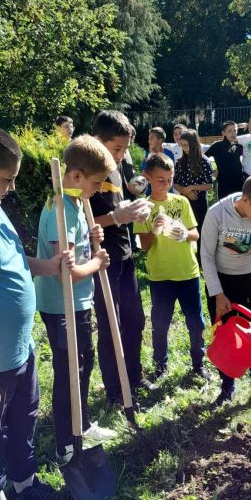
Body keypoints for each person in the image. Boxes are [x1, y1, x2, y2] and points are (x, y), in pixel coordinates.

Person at [0, 126, 72, 500]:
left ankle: (24, 481)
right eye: (6, 179)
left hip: (20, 349)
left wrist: (47, 267)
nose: (12, 187)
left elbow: (16, 259)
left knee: (25, 417)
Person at [35, 135, 117, 464]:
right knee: (69, 370)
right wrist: (97, 263)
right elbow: (64, 273)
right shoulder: (62, 209)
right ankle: (65, 441)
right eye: (96, 183)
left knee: (84, 362)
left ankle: (81, 425)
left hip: (79, 302)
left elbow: (78, 243)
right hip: (62, 304)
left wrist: (91, 235)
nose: (98, 190)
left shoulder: (75, 204)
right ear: (77, 176)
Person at [201, 172, 251, 407]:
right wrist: (217, 293)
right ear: (245, 200)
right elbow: (206, 256)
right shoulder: (216, 214)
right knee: (224, 336)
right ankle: (227, 386)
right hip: (222, 284)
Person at [91, 110, 152, 405]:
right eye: (117, 149)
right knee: (110, 325)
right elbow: (81, 221)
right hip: (103, 259)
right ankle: (115, 390)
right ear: (97, 140)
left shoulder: (117, 166)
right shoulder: (86, 171)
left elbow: (123, 202)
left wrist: (137, 210)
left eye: (125, 149)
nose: (120, 156)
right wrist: (116, 217)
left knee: (135, 319)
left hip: (126, 254)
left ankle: (134, 376)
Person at [134, 155, 207, 381]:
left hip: (187, 272)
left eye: (169, 179)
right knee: (160, 324)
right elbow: (144, 246)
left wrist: (185, 234)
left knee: (196, 323)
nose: (166, 185)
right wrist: (154, 231)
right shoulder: (144, 208)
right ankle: (160, 366)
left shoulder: (181, 202)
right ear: (148, 178)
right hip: (161, 275)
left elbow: (196, 233)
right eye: (160, 180)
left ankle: (199, 364)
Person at [174, 128, 213, 262]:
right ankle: (185, 257)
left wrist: (192, 188)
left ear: (194, 144)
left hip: (200, 201)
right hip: (184, 201)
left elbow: (209, 185)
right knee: (184, 228)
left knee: (200, 229)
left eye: (187, 145)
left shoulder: (204, 161)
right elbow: (175, 183)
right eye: (182, 145)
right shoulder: (180, 162)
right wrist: (185, 191)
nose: (184, 148)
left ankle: (201, 259)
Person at [207, 121, 244, 200]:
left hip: (238, 183)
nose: (233, 133)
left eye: (235, 131)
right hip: (224, 184)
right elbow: (203, 158)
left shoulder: (238, 146)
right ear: (223, 133)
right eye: (229, 131)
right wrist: (212, 171)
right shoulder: (217, 146)